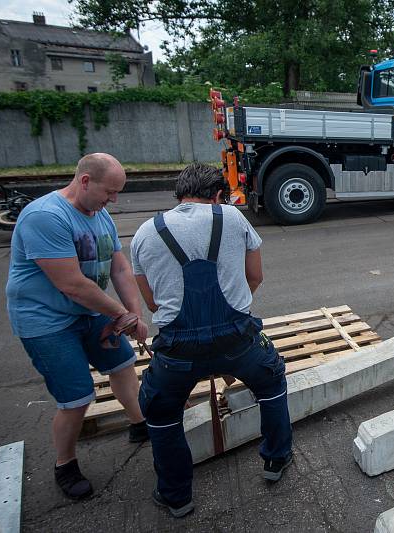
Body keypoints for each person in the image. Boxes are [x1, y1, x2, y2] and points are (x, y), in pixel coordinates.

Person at [131, 162, 292, 518]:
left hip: (177, 352)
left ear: (178, 194)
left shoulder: (144, 233)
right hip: (238, 342)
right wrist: (231, 314)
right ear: (218, 196)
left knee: (160, 413)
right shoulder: (233, 219)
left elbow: (153, 302)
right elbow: (255, 277)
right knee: (272, 383)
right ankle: (275, 460)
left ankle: (176, 497)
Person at [6, 153, 149, 500]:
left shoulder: (100, 217)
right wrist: (119, 315)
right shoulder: (45, 217)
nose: (113, 200)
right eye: (109, 192)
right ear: (85, 181)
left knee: (122, 364)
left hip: (88, 310)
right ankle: (64, 464)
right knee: (76, 397)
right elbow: (71, 284)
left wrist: (134, 313)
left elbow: (119, 269)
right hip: (46, 320)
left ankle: (139, 423)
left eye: (117, 193)